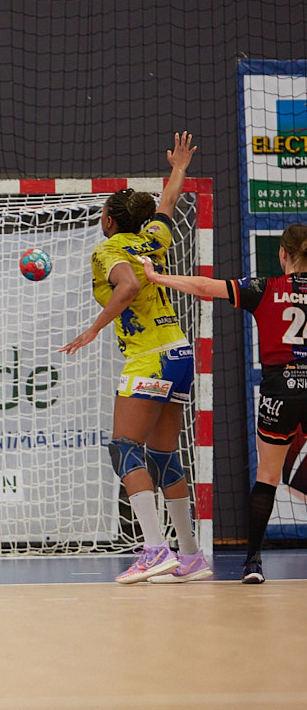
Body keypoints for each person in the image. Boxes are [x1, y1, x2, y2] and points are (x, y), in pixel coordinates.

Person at [59, 132, 211, 584]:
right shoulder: (151, 239)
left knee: (124, 447)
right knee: (163, 454)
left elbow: (126, 286)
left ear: (108, 219)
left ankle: (154, 549)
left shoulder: (108, 249)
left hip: (149, 358)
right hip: (178, 352)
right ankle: (191, 556)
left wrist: (93, 329)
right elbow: (167, 205)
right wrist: (178, 169)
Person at [139, 223, 307, 584]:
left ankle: (253, 564)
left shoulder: (264, 288)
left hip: (280, 389)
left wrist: (156, 277)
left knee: (268, 477)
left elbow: (204, 287)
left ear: (282, 254)